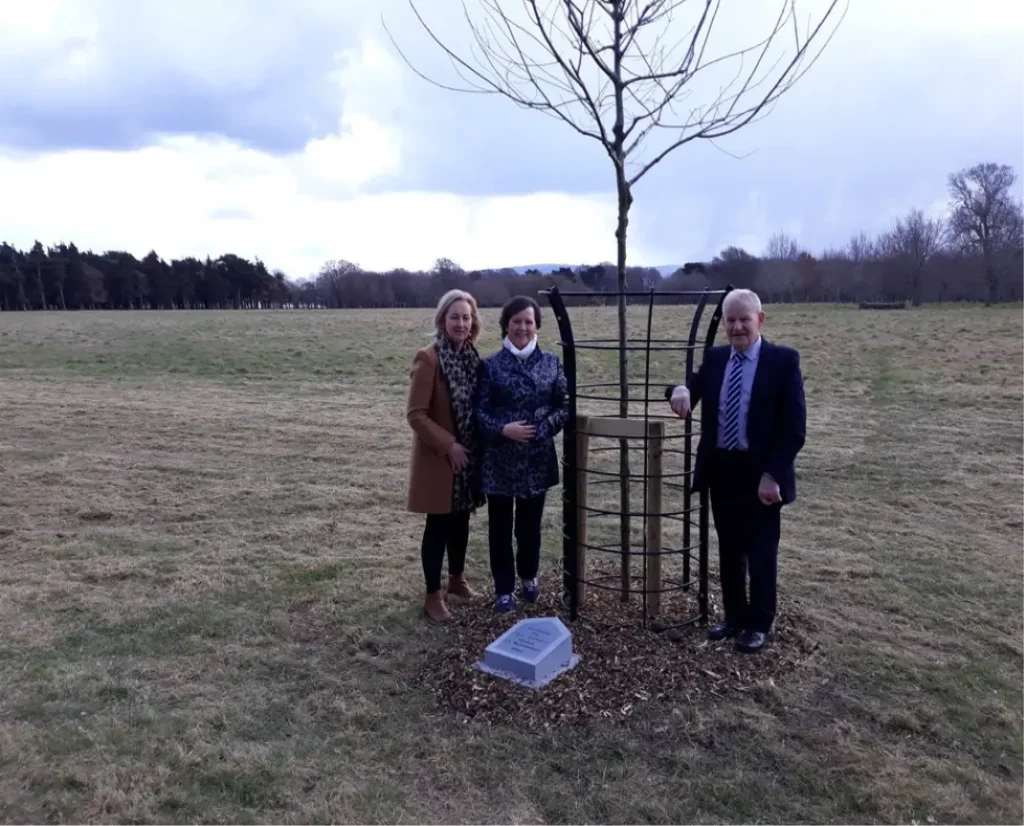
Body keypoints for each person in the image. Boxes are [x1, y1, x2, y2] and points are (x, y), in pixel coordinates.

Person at [666, 288, 806, 653]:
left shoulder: (782, 361)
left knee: (761, 551)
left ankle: (759, 623)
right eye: (731, 320)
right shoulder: (715, 359)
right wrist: (678, 389)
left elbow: (794, 429)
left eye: (745, 319)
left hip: (761, 474)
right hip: (722, 470)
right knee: (729, 549)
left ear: (760, 320)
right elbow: (691, 390)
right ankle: (734, 617)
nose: (737, 327)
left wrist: (772, 475)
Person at [475, 295, 569, 613]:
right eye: (516, 321)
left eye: (528, 321)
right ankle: (504, 590)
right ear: (506, 325)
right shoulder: (490, 366)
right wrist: (504, 429)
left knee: (529, 527)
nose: (522, 327)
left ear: (537, 326)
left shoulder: (551, 363)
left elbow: (564, 406)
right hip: (500, 460)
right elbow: (480, 412)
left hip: (536, 459)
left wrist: (541, 429)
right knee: (500, 528)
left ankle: (529, 576)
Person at [406, 289, 486, 622]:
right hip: (441, 459)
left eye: (466, 317)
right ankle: (432, 595)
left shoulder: (473, 358)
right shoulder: (428, 358)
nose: (461, 323)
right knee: (438, 526)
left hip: (468, 458)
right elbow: (416, 414)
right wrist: (449, 445)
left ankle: (456, 579)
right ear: (443, 320)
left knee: (462, 520)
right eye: (454, 317)